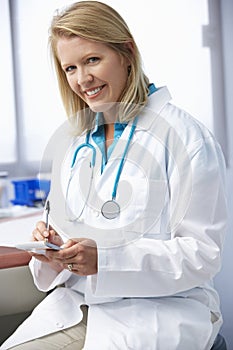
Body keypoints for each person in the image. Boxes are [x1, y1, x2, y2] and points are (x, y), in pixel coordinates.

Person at [1, 1, 228, 349]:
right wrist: (55, 249)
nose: (82, 79)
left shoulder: (184, 136)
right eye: (71, 68)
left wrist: (105, 261)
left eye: (92, 60)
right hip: (80, 304)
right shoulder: (76, 144)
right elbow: (67, 231)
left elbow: (201, 254)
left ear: (126, 52)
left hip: (159, 311)